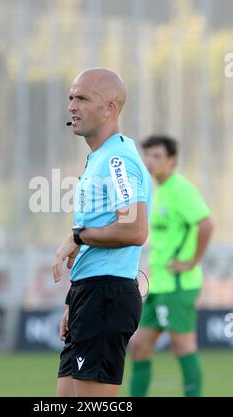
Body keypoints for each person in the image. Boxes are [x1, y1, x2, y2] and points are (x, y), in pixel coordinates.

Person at [52, 67, 151, 397]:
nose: (72, 106)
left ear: (109, 108)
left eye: (82, 98)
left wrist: (78, 236)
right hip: (89, 294)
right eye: (70, 97)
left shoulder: (118, 160)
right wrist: (72, 299)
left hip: (105, 296)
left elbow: (135, 229)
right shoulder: (99, 158)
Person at [129, 135, 214, 397]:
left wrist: (192, 261)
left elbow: (207, 224)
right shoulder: (159, 190)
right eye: (148, 156)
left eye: (157, 156)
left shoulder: (181, 189)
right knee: (139, 346)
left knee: (183, 346)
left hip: (178, 284)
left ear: (172, 160)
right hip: (159, 284)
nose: (150, 162)